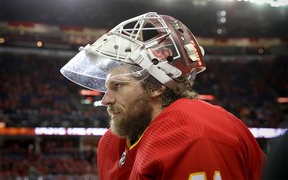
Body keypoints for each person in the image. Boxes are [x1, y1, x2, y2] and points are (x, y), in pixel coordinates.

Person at [60, 12, 266, 179]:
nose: (106, 99)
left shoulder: (195, 135)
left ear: (156, 87)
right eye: (107, 87)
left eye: (118, 86)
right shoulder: (112, 144)